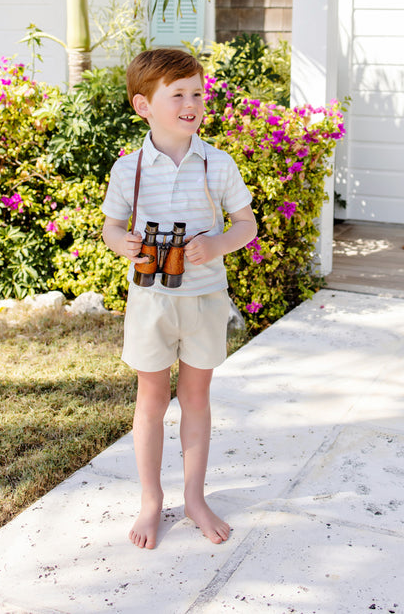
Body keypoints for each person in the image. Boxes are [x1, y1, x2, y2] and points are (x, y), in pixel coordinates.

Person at [101, 48, 257, 550]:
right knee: (150, 400)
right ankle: (151, 500)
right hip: (151, 301)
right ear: (143, 105)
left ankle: (194, 497)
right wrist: (120, 242)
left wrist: (217, 244)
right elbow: (111, 225)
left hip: (205, 297)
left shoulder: (218, 162)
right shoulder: (128, 169)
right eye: (178, 94)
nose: (192, 103)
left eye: (197, 93)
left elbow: (246, 224)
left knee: (195, 398)